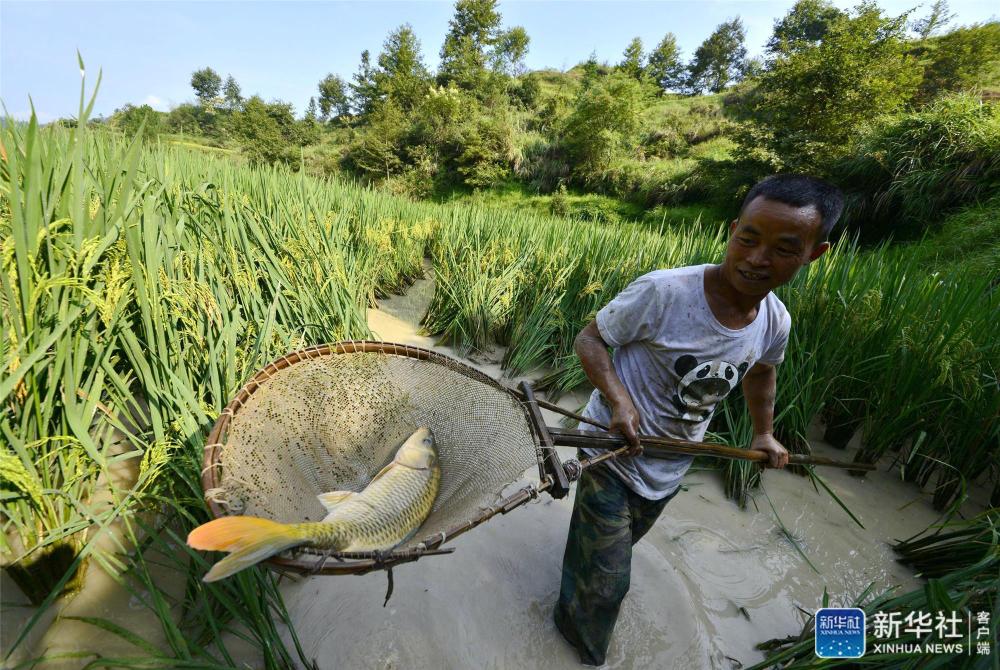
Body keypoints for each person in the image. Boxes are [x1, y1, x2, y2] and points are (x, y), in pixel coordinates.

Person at [553, 174, 845, 666]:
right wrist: (620, 401)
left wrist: (765, 433)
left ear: (813, 254)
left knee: (610, 555)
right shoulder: (665, 292)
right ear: (733, 231)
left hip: (672, 463)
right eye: (748, 239)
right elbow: (590, 339)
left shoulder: (776, 321)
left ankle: (578, 583)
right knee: (608, 583)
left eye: (783, 248)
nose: (756, 259)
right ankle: (575, 645)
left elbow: (762, 374)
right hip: (609, 448)